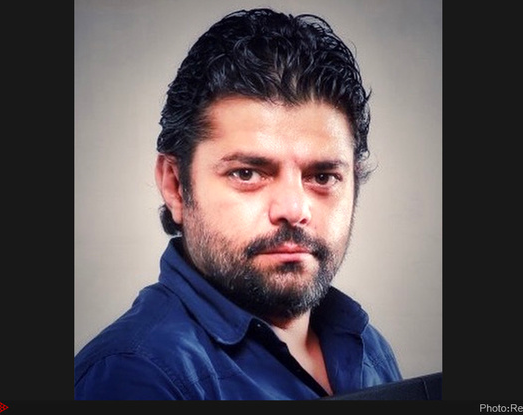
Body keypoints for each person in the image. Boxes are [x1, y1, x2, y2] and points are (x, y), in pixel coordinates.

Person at [74, 7, 402, 400]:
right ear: (175, 186)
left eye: (322, 177)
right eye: (247, 173)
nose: (293, 209)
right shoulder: (134, 374)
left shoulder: (369, 348)